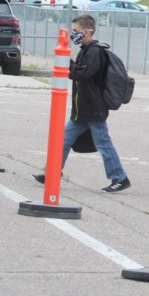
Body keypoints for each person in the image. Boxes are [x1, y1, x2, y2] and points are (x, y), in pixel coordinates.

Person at [32, 14, 130, 192]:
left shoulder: (94, 52)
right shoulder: (85, 50)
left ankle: (120, 177)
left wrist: (65, 63)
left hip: (93, 109)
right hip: (81, 110)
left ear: (86, 32)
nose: (73, 34)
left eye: (76, 31)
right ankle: (53, 173)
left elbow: (83, 74)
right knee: (63, 140)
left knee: (103, 143)